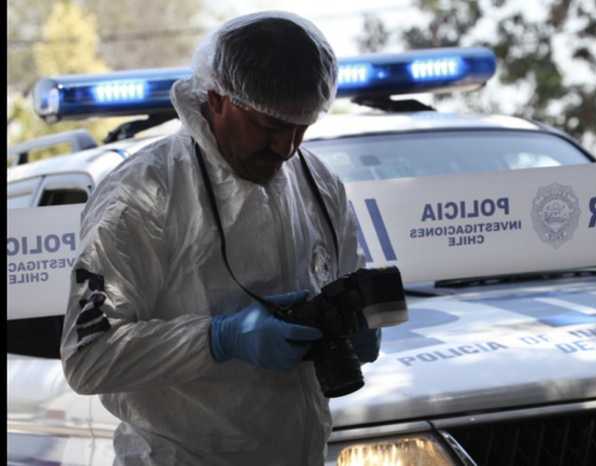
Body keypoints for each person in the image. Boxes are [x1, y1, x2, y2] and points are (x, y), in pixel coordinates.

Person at [59, 11, 380, 466]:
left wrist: (362, 322)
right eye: (270, 127)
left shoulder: (317, 183)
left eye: (301, 128)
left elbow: (350, 283)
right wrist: (219, 339)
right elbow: (87, 357)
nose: (286, 148)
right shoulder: (142, 195)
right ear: (217, 98)